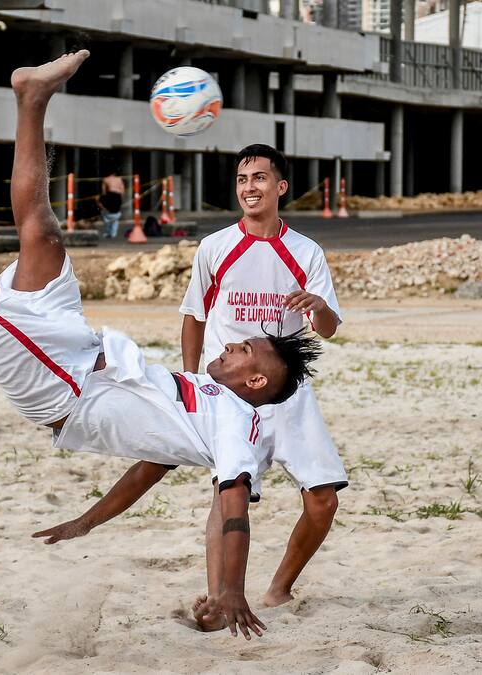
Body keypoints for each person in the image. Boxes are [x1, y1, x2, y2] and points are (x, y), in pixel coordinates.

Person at [0, 51, 320, 639]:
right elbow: (149, 468)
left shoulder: (239, 430)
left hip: (67, 389)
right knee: (41, 233)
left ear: (255, 382)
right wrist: (87, 521)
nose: (234, 345)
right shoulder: (208, 399)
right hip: (80, 346)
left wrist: (231, 592)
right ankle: (31, 99)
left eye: (245, 351)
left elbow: (235, 509)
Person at [178, 143, 348, 627]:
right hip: (229, 396)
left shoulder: (306, 252)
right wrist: (192, 382)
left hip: (289, 395)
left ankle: (279, 589)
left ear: (280, 186)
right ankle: (218, 601)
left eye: (258, 178)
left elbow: (329, 329)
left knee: (323, 501)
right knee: (228, 495)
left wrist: (319, 306)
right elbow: (193, 317)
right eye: (241, 179)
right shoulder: (215, 247)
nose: (248, 187)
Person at [99, 171, 126, 238]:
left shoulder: (106, 179)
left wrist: (104, 200)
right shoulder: (119, 179)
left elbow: (104, 191)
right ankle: (113, 232)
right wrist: (121, 199)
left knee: (108, 214)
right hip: (118, 196)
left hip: (110, 195)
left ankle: (109, 231)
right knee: (115, 215)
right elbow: (122, 190)